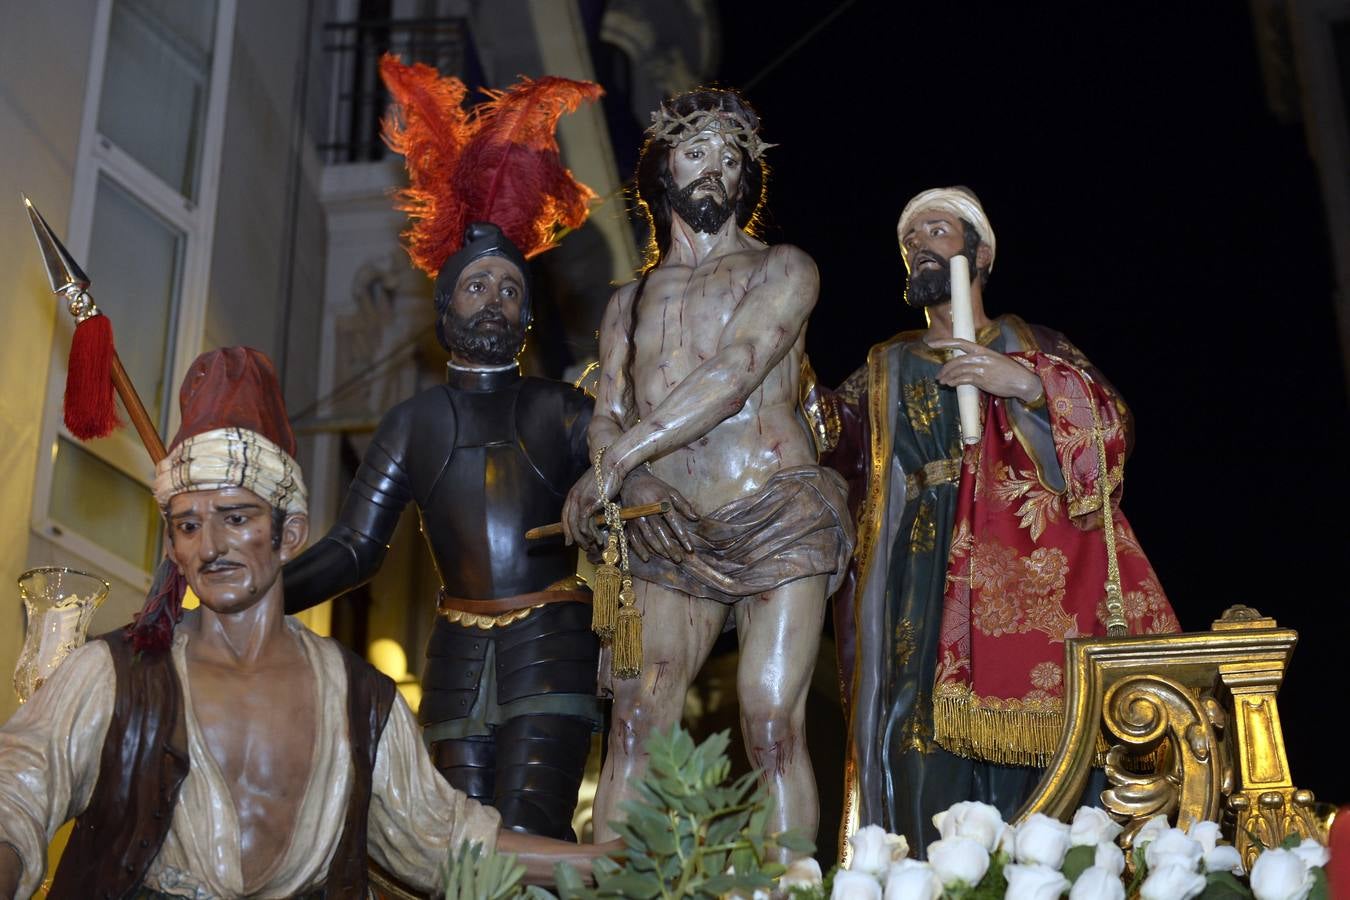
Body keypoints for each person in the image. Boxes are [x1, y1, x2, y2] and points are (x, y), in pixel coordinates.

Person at [0, 348, 608, 899]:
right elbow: (17, 793)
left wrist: (605, 862)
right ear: (172, 547)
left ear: (289, 535)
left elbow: (447, 842)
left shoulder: (361, 702)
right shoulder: (113, 677)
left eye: (235, 518)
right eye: (188, 525)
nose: (210, 545)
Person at [283, 57, 603, 840]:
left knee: (527, 843)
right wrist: (266, 590)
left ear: (526, 317)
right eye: (476, 286)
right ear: (444, 302)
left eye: (509, 291)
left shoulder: (563, 408)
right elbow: (357, 548)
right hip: (455, 658)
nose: (494, 300)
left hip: (552, 649)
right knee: (450, 854)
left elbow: (631, 478)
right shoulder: (412, 422)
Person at [810, 187, 1179, 853]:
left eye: (937, 230)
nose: (920, 244)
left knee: (1036, 748)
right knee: (915, 734)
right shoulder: (886, 366)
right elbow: (827, 444)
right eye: (910, 238)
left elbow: (1112, 432)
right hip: (920, 570)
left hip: (1021, 570)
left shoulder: (1033, 343)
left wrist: (1028, 384)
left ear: (979, 254)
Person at [561, 88, 854, 847]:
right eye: (697, 152)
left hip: (775, 506)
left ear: (748, 181)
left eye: (732, 159)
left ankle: (790, 888)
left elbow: (738, 369)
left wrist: (617, 461)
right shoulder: (628, 301)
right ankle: (616, 892)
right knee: (635, 715)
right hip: (667, 524)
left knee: (768, 718)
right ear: (662, 170)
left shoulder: (784, 268)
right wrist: (614, 467)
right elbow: (607, 408)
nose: (715, 170)